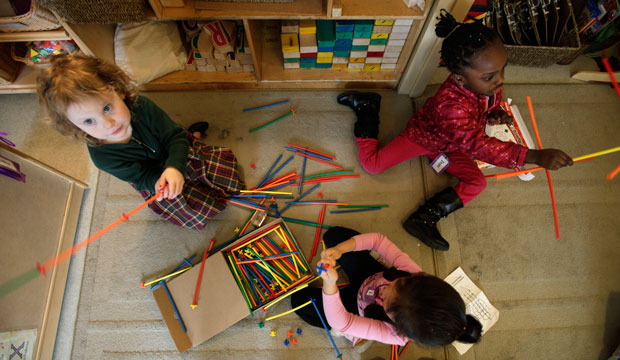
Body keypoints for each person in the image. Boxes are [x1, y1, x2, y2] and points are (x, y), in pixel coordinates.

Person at [336, 10, 573, 251]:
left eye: (503, 69)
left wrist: (492, 113)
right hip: (425, 137)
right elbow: (478, 145)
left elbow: (479, 114)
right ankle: (367, 109)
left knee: (477, 182)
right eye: (490, 76)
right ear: (460, 80)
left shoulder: (487, 85)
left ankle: (424, 218)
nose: (499, 80)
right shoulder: (450, 106)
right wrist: (531, 155)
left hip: (453, 146)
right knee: (373, 165)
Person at [37, 54, 245, 230]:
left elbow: (174, 137)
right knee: (192, 204)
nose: (108, 124)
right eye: (89, 121)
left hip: (176, 149)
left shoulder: (142, 107)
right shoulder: (102, 157)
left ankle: (193, 140)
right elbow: (141, 176)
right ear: (75, 126)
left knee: (221, 174)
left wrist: (175, 166)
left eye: (107, 108)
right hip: (154, 177)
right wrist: (161, 181)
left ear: (118, 91)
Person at [291, 226, 482, 350]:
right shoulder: (414, 273)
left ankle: (354, 336)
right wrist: (341, 249)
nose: (385, 290)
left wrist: (330, 284)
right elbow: (378, 241)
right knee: (333, 237)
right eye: (399, 283)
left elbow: (341, 321)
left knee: (298, 301)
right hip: (369, 275)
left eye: (388, 301)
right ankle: (360, 327)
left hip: (358, 308)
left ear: (401, 327)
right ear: (421, 279)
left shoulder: (394, 334)